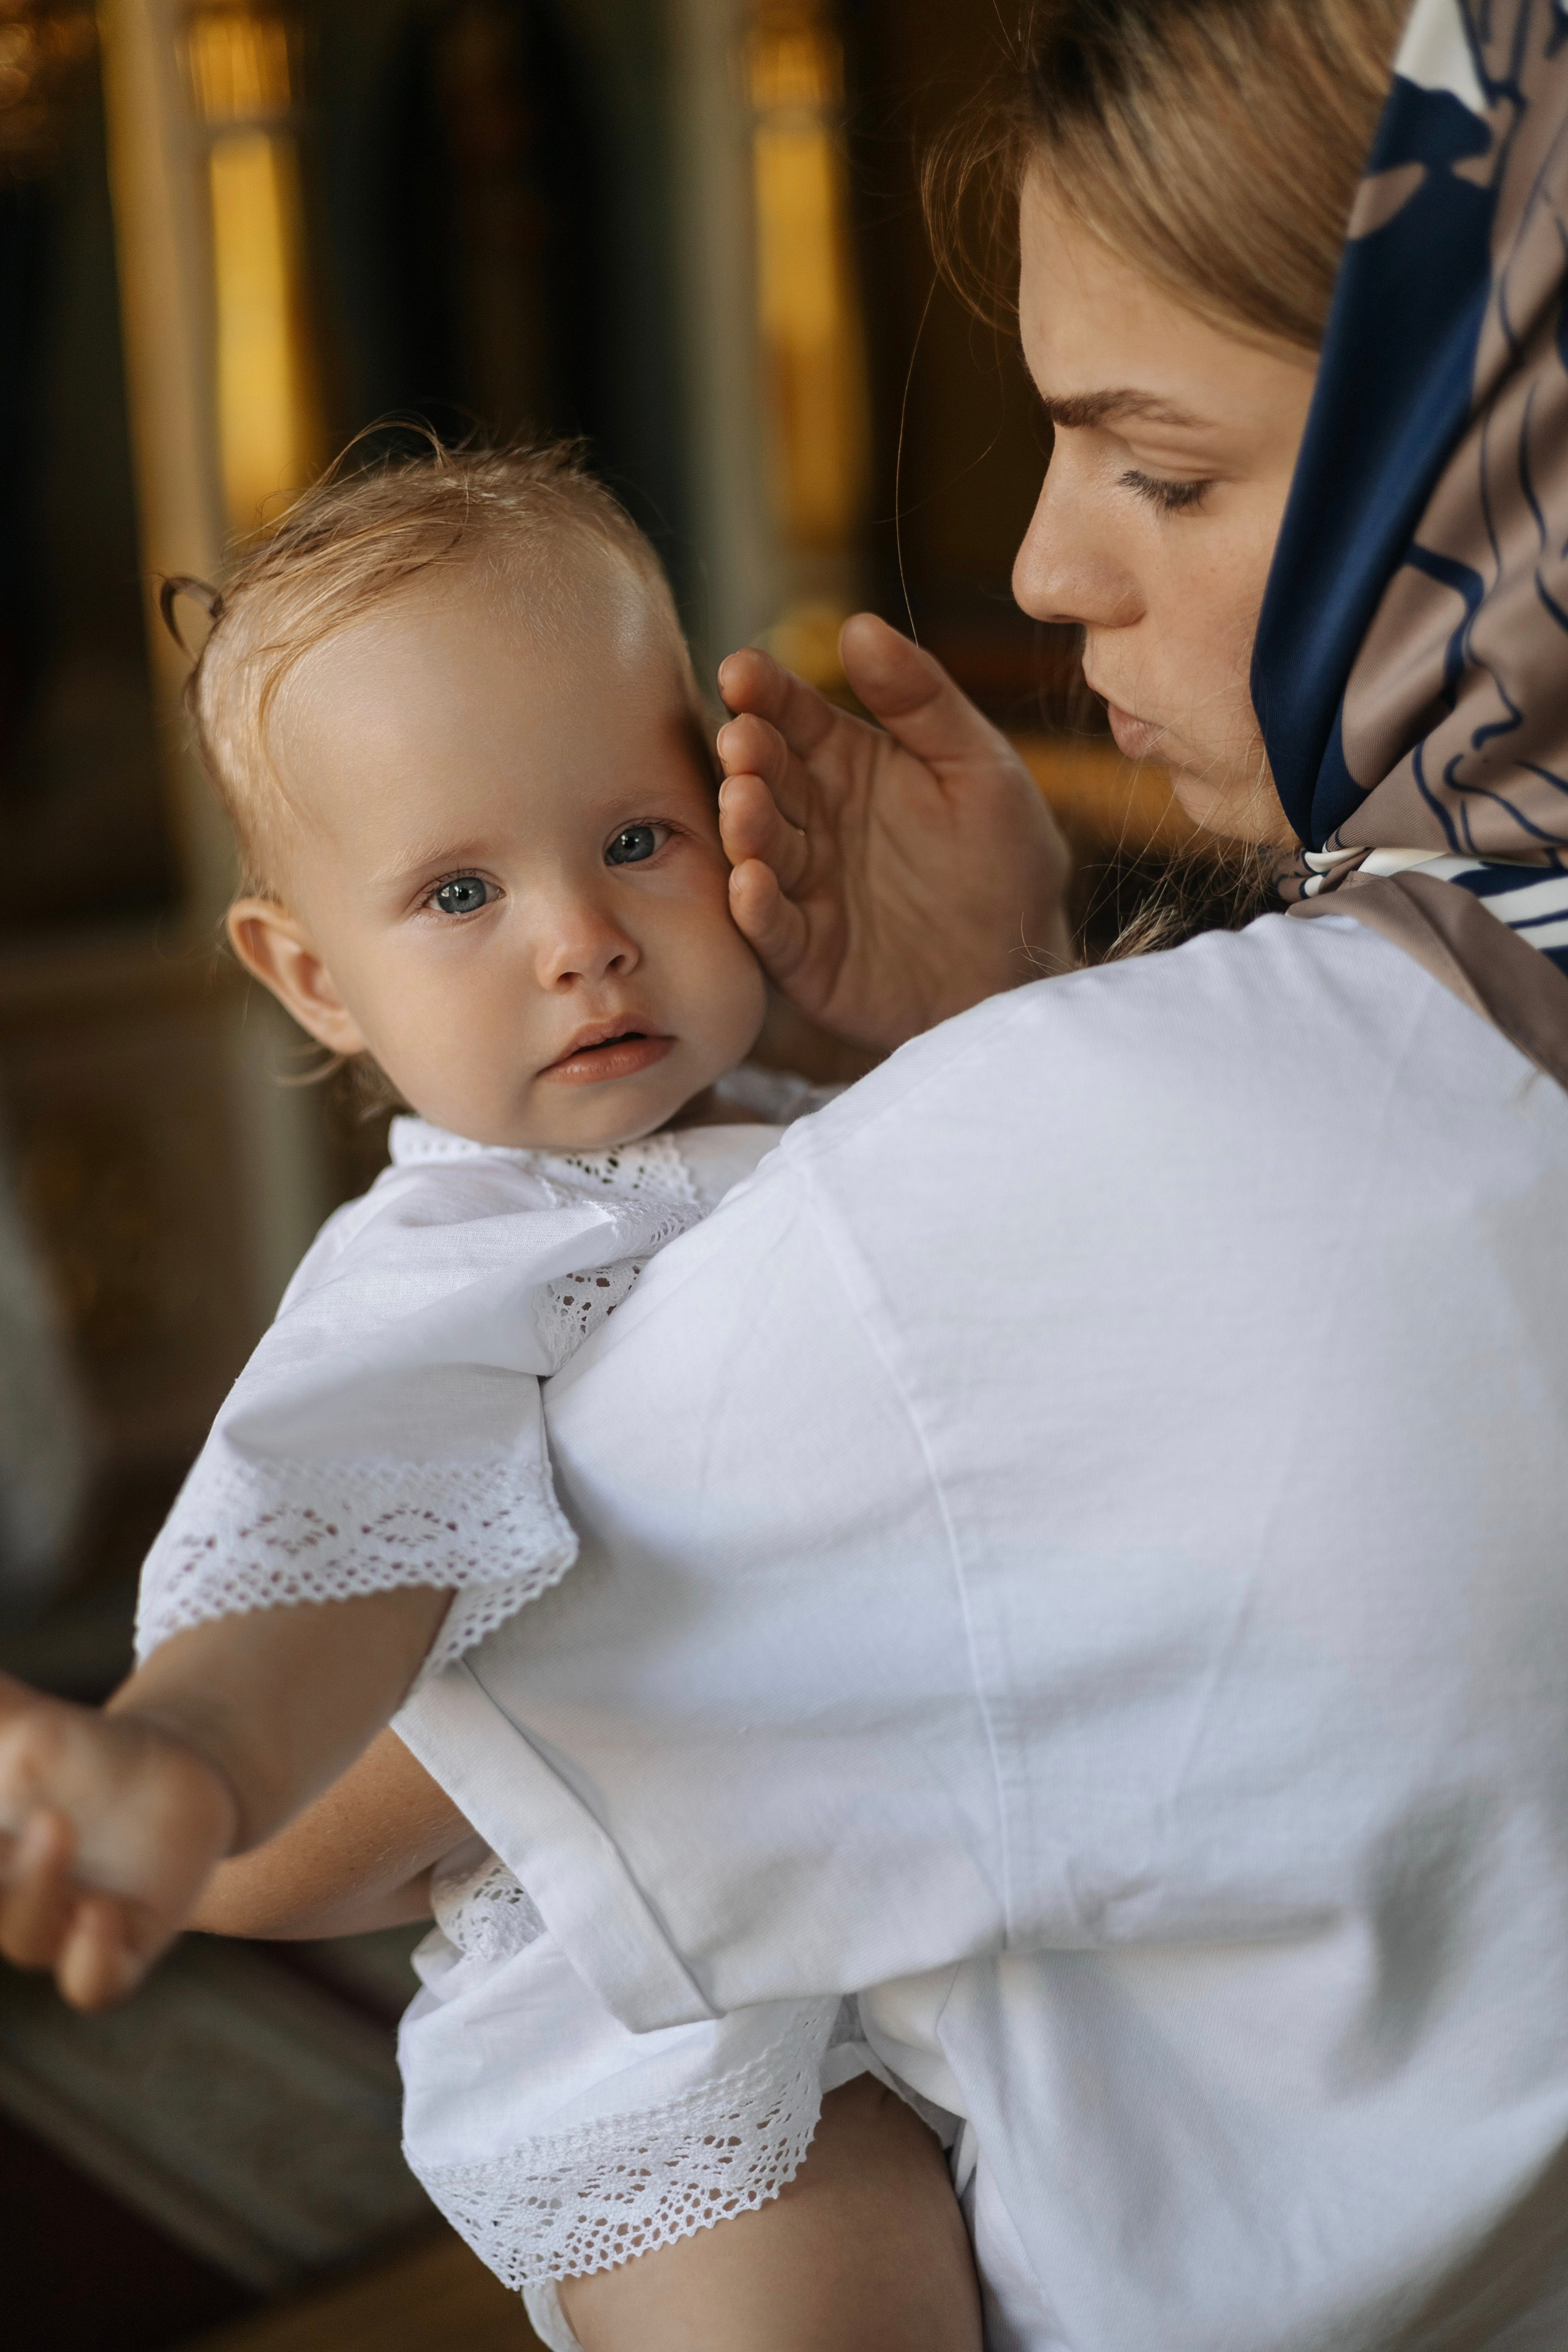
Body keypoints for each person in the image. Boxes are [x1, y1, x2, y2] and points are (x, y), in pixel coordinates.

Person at [7, 0, 1568, 2342]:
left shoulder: (1009, 1160)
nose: (1043, 566)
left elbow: (408, 1801)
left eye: (1165, 466)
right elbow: (332, 1557)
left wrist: (1000, 1050)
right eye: (453, 895)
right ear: (295, 972)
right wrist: (177, 1761)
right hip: (653, 2072)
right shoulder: (443, 1266)